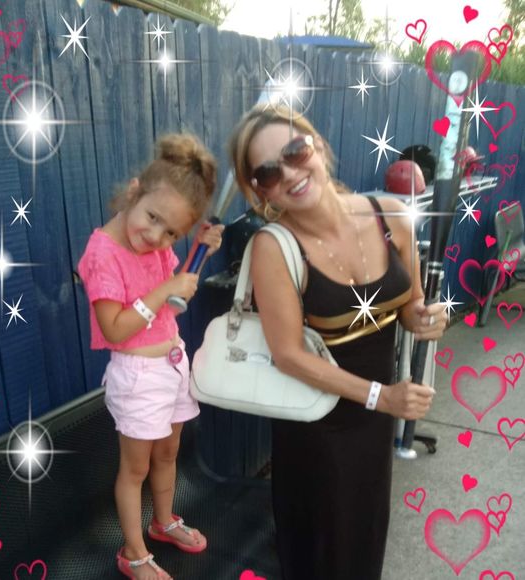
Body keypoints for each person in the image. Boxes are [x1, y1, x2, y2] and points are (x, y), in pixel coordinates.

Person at [229, 106, 447, 580]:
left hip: (374, 426)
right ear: (260, 191)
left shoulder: (392, 216)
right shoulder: (273, 247)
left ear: (319, 146)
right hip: (315, 431)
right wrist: (381, 396)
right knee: (321, 553)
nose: (289, 173)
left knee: (364, 541)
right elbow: (288, 355)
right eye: (268, 172)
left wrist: (427, 317)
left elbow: (409, 305)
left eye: (295, 151)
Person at [78, 133, 224, 580]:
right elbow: (114, 328)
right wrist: (165, 290)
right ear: (134, 191)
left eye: (172, 233)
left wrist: (198, 251)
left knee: (169, 452)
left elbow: (170, 302)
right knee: (136, 467)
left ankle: (163, 522)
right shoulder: (103, 252)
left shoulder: (156, 245)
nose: (157, 237)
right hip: (138, 375)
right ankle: (133, 553)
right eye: (153, 218)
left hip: (172, 363)